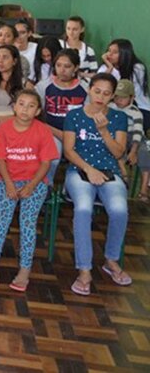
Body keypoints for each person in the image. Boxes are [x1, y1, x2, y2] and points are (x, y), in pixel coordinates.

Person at [63, 73, 131, 295]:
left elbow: (119, 151)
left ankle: (111, 260)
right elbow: (69, 150)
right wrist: (88, 169)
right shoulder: (74, 116)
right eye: (97, 91)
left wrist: (103, 131)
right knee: (83, 209)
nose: (101, 96)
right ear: (89, 90)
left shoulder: (119, 118)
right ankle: (84, 269)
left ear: (112, 96)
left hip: (109, 173)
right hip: (79, 171)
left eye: (106, 93)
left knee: (119, 209)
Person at [0, 89, 57, 292]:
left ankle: (25, 270)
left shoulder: (42, 130)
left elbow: (45, 163)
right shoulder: (4, 128)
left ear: (38, 110)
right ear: (14, 107)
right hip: (7, 179)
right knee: (1, 220)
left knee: (27, 223)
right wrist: (8, 183)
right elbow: (0, 159)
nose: (25, 109)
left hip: (34, 182)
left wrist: (31, 185)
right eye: (21, 104)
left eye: (31, 105)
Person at [35, 49, 88, 181]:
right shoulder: (43, 86)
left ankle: (70, 187)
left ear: (76, 68)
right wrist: (57, 133)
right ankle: (47, 185)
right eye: (58, 65)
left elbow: (88, 117)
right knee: (53, 156)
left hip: (77, 134)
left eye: (67, 66)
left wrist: (73, 136)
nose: (62, 70)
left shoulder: (85, 89)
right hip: (50, 131)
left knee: (82, 157)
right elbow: (36, 114)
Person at [98, 38, 150, 122]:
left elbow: (124, 89)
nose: (109, 54)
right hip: (114, 107)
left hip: (139, 107)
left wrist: (113, 71)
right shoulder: (105, 68)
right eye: (109, 50)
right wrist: (110, 68)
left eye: (115, 52)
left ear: (125, 54)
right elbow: (99, 86)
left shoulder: (137, 68)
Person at [109, 80, 144, 191]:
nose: (119, 100)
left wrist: (133, 152)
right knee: (116, 145)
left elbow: (138, 134)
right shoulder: (111, 107)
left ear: (131, 98)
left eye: (123, 98)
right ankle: (123, 173)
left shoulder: (136, 112)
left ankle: (143, 188)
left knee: (145, 153)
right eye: (116, 97)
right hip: (117, 136)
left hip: (133, 138)